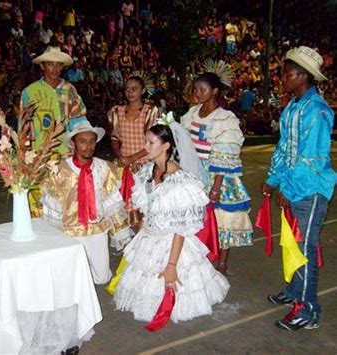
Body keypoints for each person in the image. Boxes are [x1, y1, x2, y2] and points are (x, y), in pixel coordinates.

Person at [113, 123, 230, 322]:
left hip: (172, 243)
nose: (146, 147)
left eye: (151, 143)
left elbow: (181, 229)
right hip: (149, 237)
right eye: (145, 142)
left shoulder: (179, 181)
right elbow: (146, 209)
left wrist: (172, 265)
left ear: (166, 146)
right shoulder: (149, 170)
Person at [263, 46, 335, 331]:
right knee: (292, 242)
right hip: (295, 186)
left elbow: (309, 158)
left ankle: (308, 310)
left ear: (303, 75)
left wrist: (289, 189)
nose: (283, 77)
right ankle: (294, 291)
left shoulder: (317, 111)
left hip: (311, 189)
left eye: (287, 72)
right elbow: (284, 147)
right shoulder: (293, 107)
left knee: (304, 248)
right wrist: (272, 178)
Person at [41, 121, 132, 284]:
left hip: (97, 230)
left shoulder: (104, 168)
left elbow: (112, 202)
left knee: (102, 278)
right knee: (72, 277)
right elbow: (53, 203)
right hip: (70, 231)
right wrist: (55, 234)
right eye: (83, 141)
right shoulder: (60, 170)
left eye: (92, 141)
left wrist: (121, 233)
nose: (88, 146)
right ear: (73, 143)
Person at [181, 69, 253, 275]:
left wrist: (216, 186)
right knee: (196, 220)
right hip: (192, 172)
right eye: (196, 89)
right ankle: (199, 261)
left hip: (216, 175)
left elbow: (225, 153)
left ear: (214, 91)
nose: (198, 93)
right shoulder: (191, 114)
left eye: (202, 89)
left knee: (222, 220)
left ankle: (222, 263)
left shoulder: (225, 118)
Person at [20, 46, 87, 216]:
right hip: (39, 154)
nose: (55, 69)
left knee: (67, 196)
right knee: (40, 197)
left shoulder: (69, 90)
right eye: (50, 64)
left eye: (58, 65)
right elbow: (24, 127)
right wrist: (25, 155)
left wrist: (82, 146)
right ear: (42, 66)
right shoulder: (30, 92)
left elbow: (79, 121)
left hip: (65, 152)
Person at [108, 76, 159, 173]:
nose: (130, 92)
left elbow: (154, 142)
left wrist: (131, 158)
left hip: (145, 163)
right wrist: (120, 157)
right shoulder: (117, 111)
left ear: (143, 90)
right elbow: (114, 138)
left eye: (134, 89)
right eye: (127, 89)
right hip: (123, 162)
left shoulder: (150, 111)